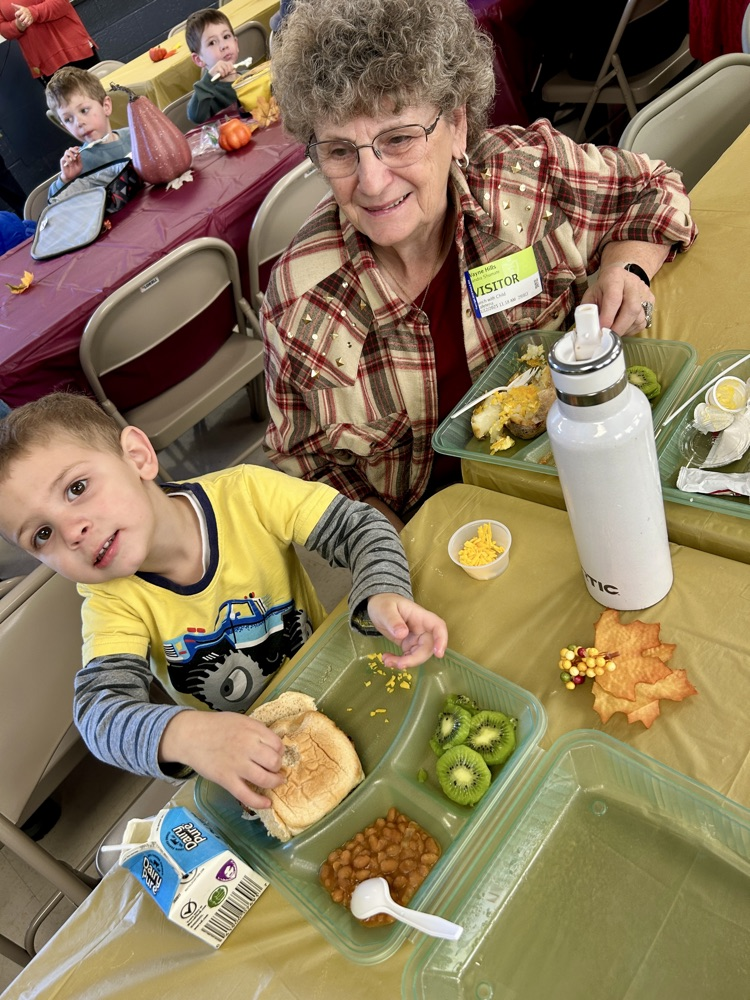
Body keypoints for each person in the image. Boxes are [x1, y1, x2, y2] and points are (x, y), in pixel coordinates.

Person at [261, 0, 698, 531]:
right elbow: (307, 464)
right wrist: (395, 552)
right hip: (445, 535)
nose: (371, 182)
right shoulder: (300, 300)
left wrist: (627, 266)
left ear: (458, 124)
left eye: (398, 138)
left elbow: (654, 187)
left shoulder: (527, 177)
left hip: (579, 471)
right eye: (339, 151)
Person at [0, 393, 447, 810]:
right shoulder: (109, 602)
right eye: (42, 535)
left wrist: (382, 590)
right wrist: (185, 735)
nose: (72, 530)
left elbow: (359, 529)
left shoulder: (246, 493)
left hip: (332, 688)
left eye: (77, 488)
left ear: (136, 456)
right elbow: (100, 714)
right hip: (244, 769)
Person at [44, 67, 131, 204]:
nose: (79, 123)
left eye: (84, 110)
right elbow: (56, 203)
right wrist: (66, 179)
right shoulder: (78, 165)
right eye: (68, 119)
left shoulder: (135, 136)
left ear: (106, 106)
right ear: (64, 127)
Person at [0, 0, 98, 85]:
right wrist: (17, 25)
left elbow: (61, 3)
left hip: (74, 48)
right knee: (67, 105)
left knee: (100, 95)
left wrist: (32, 12)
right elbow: (3, 29)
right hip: (44, 63)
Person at [185, 8, 241, 125]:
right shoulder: (207, 95)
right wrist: (208, 81)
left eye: (226, 37)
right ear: (199, 59)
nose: (223, 46)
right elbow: (195, 116)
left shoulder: (249, 77)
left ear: (236, 43)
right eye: (212, 42)